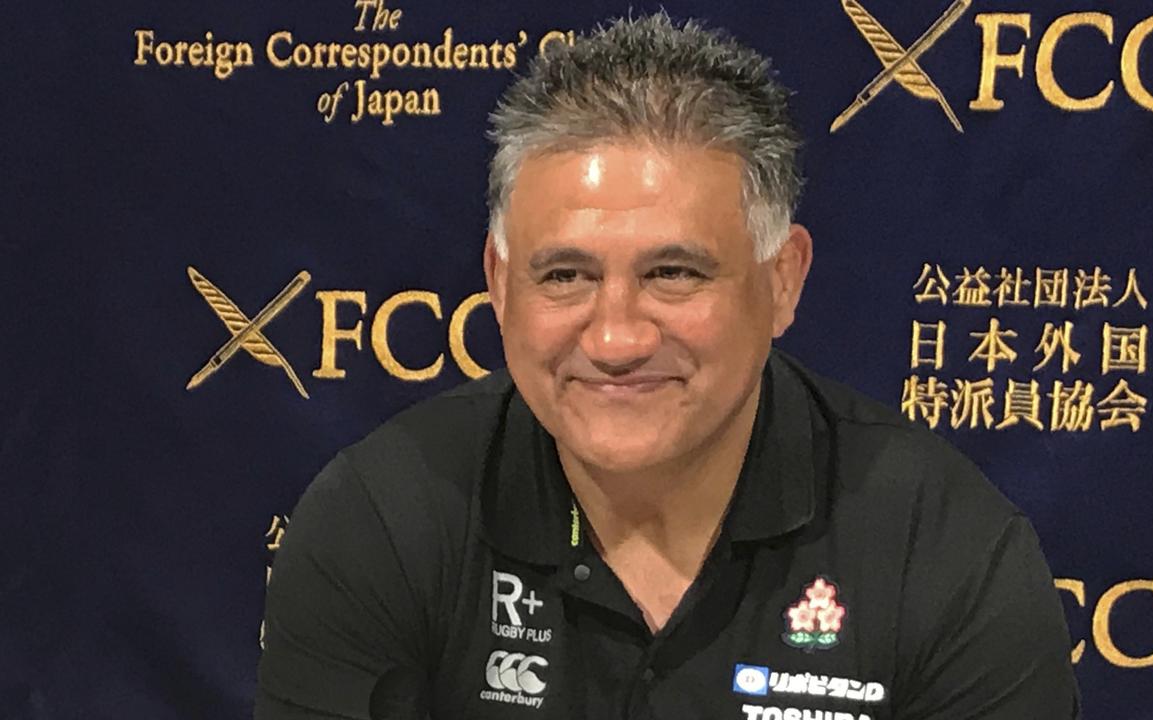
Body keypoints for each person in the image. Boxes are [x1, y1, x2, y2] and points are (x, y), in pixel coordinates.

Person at [255, 11, 1080, 720]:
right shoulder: (380, 521)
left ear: (782, 281)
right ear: (500, 286)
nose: (616, 339)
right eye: (565, 275)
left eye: (674, 274)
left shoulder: (944, 552)